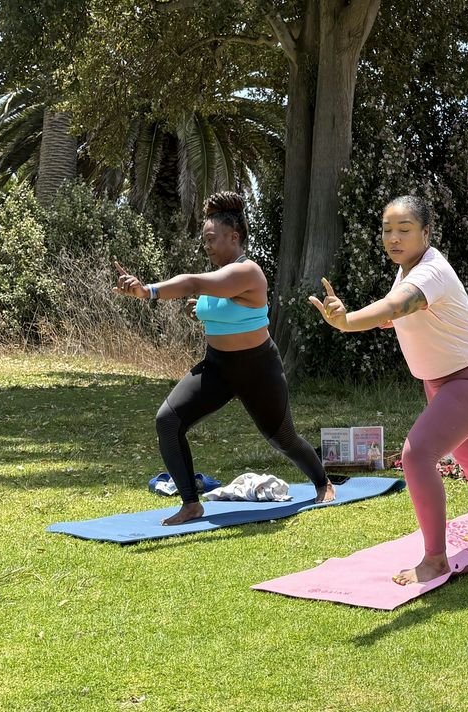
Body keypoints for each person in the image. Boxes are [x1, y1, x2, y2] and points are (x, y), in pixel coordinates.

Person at [308, 195, 468, 585]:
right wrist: (369, 317)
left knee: (417, 455)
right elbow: (398, 313)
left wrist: (348, 321)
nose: (394, 238)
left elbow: (395, 307)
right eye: (387, 230)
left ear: (426, 233)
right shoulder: (407, 270)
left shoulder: (429, 272)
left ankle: (435, 559)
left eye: (404, 230)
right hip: (442, 380)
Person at [114, 191, 332, 525]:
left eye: (212, 239)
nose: (207, 246)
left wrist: (148, 291)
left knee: (283, 439)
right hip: (218, 367)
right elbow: (213, 305)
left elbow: (191, 283)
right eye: (204, 240)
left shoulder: (248, 272)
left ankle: (322, 482)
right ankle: (190, 503)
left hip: (258, 369)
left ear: (235, 237)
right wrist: (197, 311)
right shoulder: (221, 277)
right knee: (167, 421)